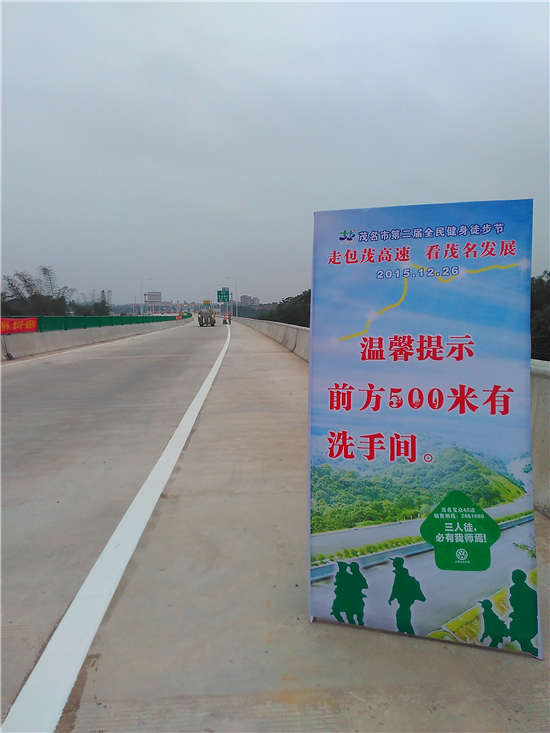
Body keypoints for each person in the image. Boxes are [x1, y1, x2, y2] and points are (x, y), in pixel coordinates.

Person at [388, 556, 425, 635]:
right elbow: (395, 587)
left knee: (403, 616)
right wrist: (392, 597)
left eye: (394, 562)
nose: (392, 563)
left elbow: (396, 587)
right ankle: (403, 630)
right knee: (403, 615)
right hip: (405, 600)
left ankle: (406, 632)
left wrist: (392, 597)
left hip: (405, 599)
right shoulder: (400, 573)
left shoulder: (401, 575)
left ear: (397, 564)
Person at [508, 569, 538, 656]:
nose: (513, 578)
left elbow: (527, 609)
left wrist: (516, 615)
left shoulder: (528, 593)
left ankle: (531, 650)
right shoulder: (515, 591)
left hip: (526, 621)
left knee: (524, 641)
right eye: (513, 576)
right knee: (524, 642)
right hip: (522, 619)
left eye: (514, 577)